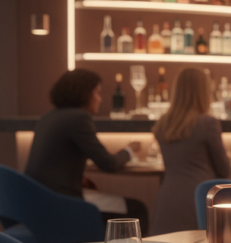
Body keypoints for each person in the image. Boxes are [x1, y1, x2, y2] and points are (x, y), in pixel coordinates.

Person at [24, 69, 148, 232]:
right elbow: (108, 164)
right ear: (85, 94)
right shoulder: (78, 118)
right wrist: (129, 150)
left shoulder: (49, 117)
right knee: (137, 208)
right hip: (62, 205)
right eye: (97, 92)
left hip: (39, 202)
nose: (100, 99)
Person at [150, 68, 231, 234]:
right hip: (199, 199)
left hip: (167, 198)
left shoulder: (162, 124)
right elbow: (224, 170)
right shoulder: (207, 124)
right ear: (204, 92)